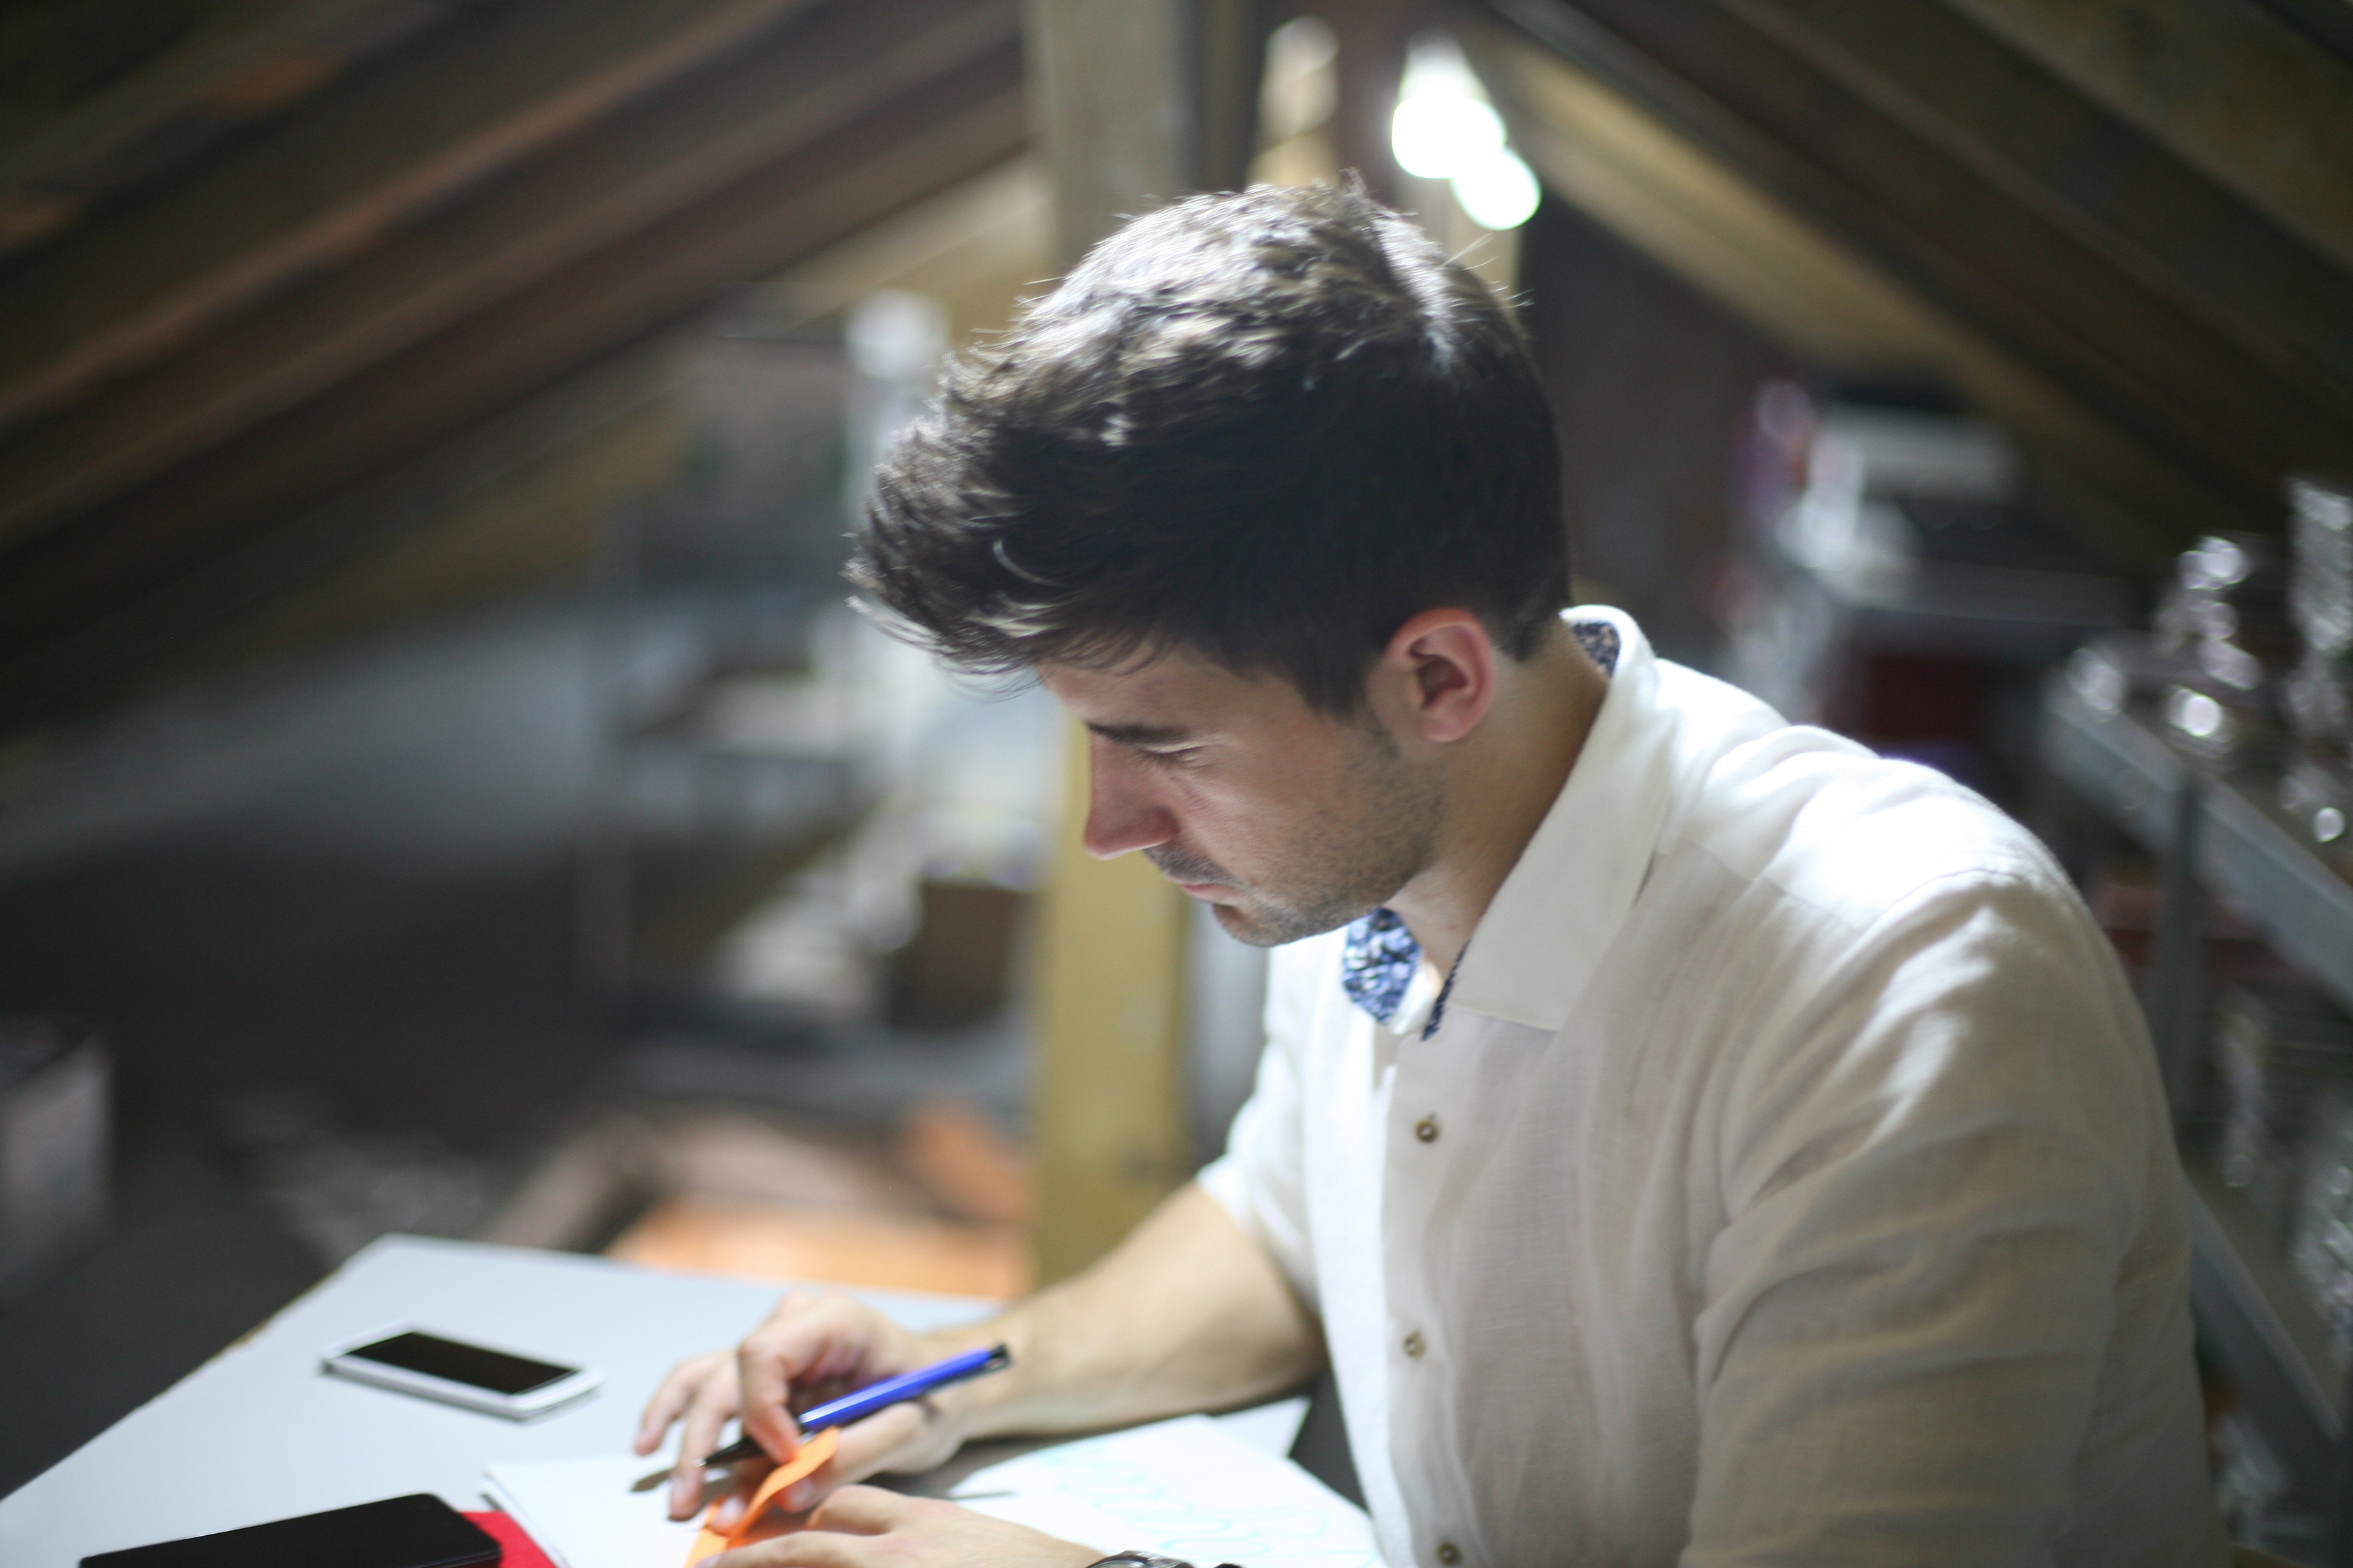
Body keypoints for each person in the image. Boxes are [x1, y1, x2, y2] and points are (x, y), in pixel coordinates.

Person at [636, 182, 2225, 1567]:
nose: (1105, 829)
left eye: (1165, 748)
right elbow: (1283, 1226)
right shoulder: (1370, 843)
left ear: (1439, 680)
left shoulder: (1906, 986)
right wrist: (950, 1368)